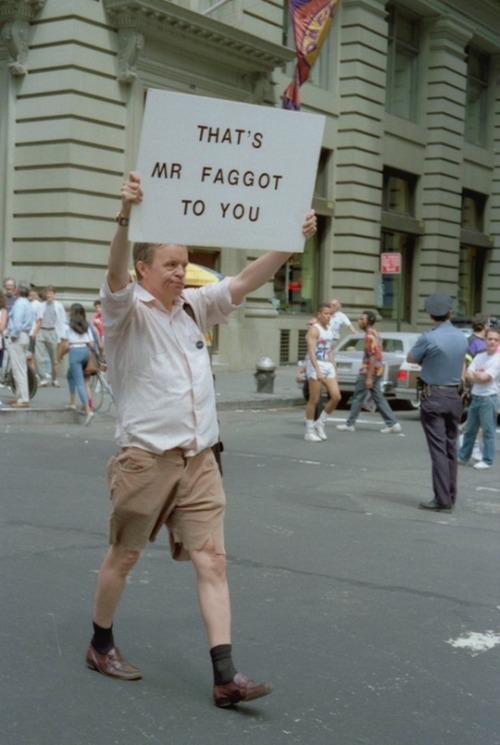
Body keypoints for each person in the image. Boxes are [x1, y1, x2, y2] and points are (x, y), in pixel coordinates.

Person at [86, 171, 317, 707]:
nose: (179, 272)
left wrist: (289, 243)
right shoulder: (125, 311)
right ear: (145, 268)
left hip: (200, 459)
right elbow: (114, 270)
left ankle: (225, 675)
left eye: (183, 263)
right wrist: (124, 216)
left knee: (212, 559)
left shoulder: (194, 305)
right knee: (123, 556)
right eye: (169, 264)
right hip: (145, 461)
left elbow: (243, 282)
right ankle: (100, 644)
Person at [406, 293, 468, 512]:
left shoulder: (429, 337)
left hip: (433, 396)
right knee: (451, 447)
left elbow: (411, 358)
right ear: (450, 312)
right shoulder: (462, 337)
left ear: (431, 315)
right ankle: (450, 496)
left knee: (438, 450)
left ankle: (442, 499)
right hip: (455, 396)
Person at [336, 310, 401, 434]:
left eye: (362, 319)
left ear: (369, 321)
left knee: (358, 396)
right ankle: (393, 423)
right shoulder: (375, 333)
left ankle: (350, 424)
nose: (359, 321)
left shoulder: (369, 336)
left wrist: (369, 377)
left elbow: (372, 357)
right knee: (378, 397)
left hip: (368, 371)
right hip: (378, 369)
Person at [457, 328, 500, 470]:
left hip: (489, 398)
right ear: (485, 340)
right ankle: (463, 456)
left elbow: (485, 378)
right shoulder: (480, 356)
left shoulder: (498, 359)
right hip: (476, 397)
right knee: (470, 430)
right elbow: (468, 374)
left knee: (488, 430)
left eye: (496, 339)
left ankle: (487, 460)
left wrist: (476, 375)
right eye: (490, 339)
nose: (492, 342)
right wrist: (477, 376)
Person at [304, 303, 341, 441]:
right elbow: (311, 352)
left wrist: (334, 368)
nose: (328, 316)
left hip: (328, 363)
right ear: (319, 314)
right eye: (325, 313)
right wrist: (317, 370)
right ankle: (309, 430)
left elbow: (330, 350)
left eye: (330, 314)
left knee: (336, 396)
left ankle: (320, 422)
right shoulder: (314, 329)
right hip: (316, 363)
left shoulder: (329, 329)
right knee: (314, 399)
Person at [58, 303, 96, 425]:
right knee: (70, 375)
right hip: (85, 351)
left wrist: (59, 357)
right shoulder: (86, 325)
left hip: (74, 352)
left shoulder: (68, 326)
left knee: (79, 382)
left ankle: (87, 409)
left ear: (72, 312)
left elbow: (64, 345)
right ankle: (72, 402)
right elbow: (91, 343)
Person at [5, 280, 34, 408]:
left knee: (18, 369)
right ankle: (19, 396)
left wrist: (13, 336)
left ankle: (23, 398)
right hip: (25, 335)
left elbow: (16, 323)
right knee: (19, 368)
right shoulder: (27, 303)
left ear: (18, 290)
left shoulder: (19, 304)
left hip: (18, 337)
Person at [32, 285, 66, 387]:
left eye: (51, 293)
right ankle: (43, 378)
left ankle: (54, 378)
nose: (49, 295)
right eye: (47, 293)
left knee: (54, 357)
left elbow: (62, 321)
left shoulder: (59, 306)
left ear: (54, 295)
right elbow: (36, 319)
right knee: (39, 357)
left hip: (53, 332)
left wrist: (62, 336)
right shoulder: (41, 305)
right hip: (41, 331)